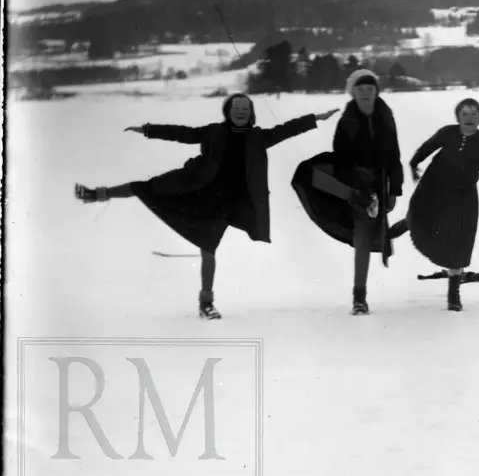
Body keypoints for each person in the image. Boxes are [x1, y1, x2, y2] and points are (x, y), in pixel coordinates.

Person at [74, 93, 336, 319]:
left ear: (251, 114)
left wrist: (316, 118)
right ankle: (97, 194)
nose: (241, 113)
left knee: (208, 248)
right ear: (228, 112)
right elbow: (182, 133)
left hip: (229, 201)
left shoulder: (259, 138)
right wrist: (148, 129)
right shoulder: (213, 132)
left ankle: (205, 302)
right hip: (196, 186)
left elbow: (287, 129)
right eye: (236, 109)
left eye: (245, 110)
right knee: (147, 186)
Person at [292, 68, 405, 315]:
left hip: (376, 184)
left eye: (369, 88)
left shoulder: (386, 117)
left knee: (363, 238)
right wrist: (354, 184)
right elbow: (341, 159)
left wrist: (394, 189)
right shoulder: (347, 121)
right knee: (306, 173)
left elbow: (394, 155)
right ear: (352, 93)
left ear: (377, 91)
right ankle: (359, 298)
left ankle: (359, 297)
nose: (365, 92)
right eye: (359, 89)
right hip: (352, 182)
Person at [388, 98, 479, 311]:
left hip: (463, 196)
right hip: (435, 187)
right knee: (421, 216)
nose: (469, 117)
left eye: (474, 114)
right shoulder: (448, 132)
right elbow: (427, 147)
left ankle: (453, 294)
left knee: (459, 242)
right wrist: (414, 163)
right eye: (465, 113)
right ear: (458, 117)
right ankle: (399, 228)